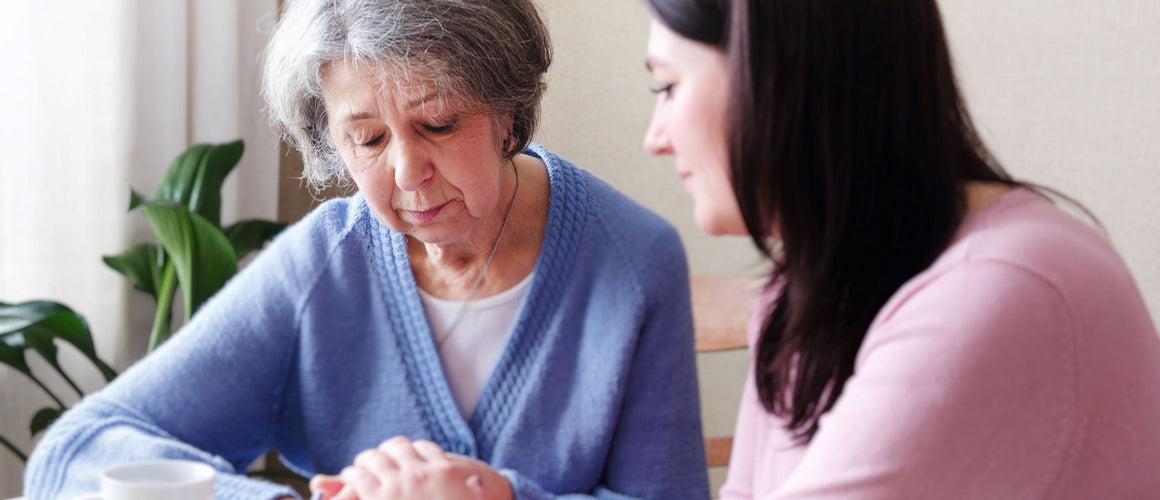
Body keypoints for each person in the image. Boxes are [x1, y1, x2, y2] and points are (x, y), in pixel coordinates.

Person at [25, 0, 710, 499]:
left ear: (507, 109)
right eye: (369, 139)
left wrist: (492, 498)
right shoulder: (323, 266)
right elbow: (75, 451)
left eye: (436, 123)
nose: (408, 174)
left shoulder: (634, 261)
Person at [642, 0, 1160, 498]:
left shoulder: (1002, 289)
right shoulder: (808, 280)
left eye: (667, 86)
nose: (655, 138)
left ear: (780, 73)